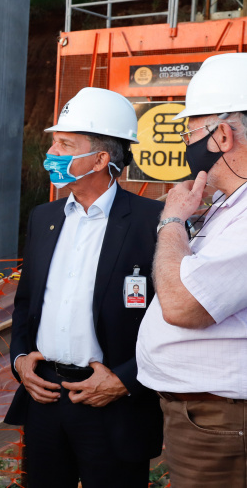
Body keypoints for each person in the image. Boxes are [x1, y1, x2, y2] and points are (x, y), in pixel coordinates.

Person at [5, 87, 163, 488]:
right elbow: (26, 304)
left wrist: (124, 381)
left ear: (100, 159)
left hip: (112, 403)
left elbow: (168, 320)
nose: (51, 153)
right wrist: (21, 359)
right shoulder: (44, 218)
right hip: (45, 398)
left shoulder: (153, 222)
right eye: (53, 142)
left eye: (64, 144)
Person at [137, 53, 247, 488]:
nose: (184, 142)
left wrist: (171, 222)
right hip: (202, 416)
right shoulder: (228, 205)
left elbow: (183, 306)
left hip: (220, 422)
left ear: (221, 134)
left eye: (190, 131)